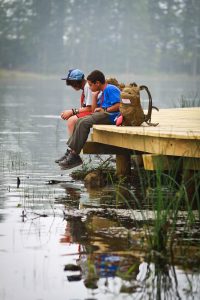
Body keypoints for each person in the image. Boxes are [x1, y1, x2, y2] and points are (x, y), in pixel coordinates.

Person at [58, 70, 121, 170]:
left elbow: (119, 105)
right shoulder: (101, 91)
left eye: (91, 85)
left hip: (111, 115)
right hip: (103, 114)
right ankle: (72, 152)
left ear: (97, 83)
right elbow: (94, 110)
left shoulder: (110, 88)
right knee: (80, 121)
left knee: (84, 122)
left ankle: (74, 154)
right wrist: (95, 96)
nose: (89, 87)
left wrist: (104, 109)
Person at [55, 68, 93, 163]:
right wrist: (71, 112)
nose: (71, 85)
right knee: (71, 120)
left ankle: (74, 153)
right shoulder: (85, 88)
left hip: (96, 111)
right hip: (92, 111)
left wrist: (72, 111)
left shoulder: (88, 87)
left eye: (72, 83)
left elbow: (90, 108)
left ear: (77, 81)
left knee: (72, 120)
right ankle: (71, 151)